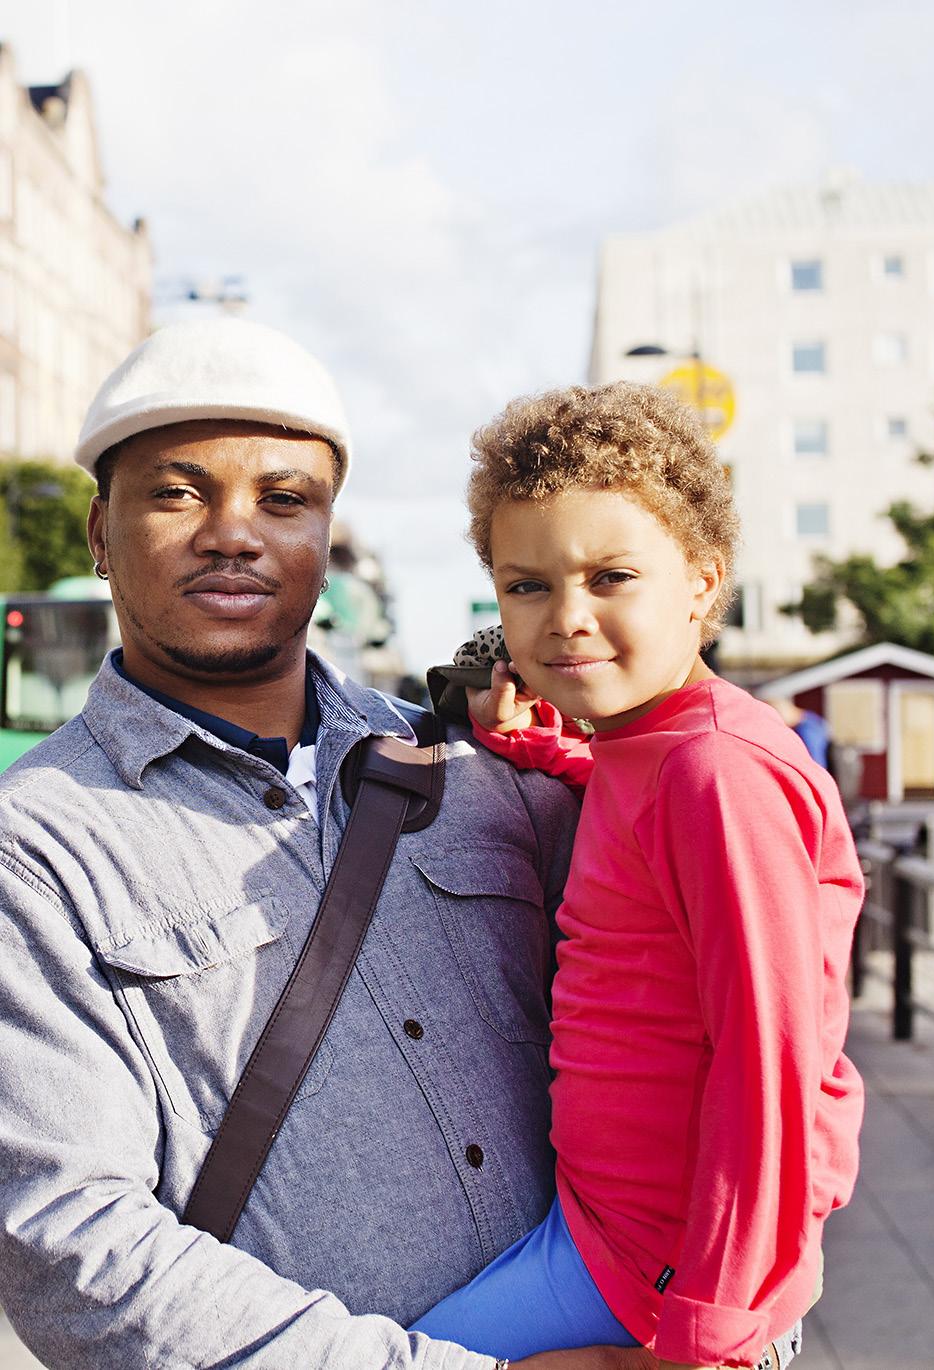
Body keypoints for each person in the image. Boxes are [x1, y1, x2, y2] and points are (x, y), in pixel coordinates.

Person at [0, 319, 650, 1370]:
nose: (232, 532)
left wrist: (733, 1303)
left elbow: (682, 1009)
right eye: (176, 492)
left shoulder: (481, 770)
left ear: (326, 533)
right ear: (97, 531)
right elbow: (70, 1239)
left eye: (283, 499)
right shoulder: (35, 847)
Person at [413, 383, 865, 1370]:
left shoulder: (718, 773)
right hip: (608, 1228)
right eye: (524, 584)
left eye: (610, 575)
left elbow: (768, 1065)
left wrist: (709, 1333)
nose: (566, 617)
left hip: (654, 1272)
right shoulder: (642, 744)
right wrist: (537, 746)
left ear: (702, 581)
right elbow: (632, 795)